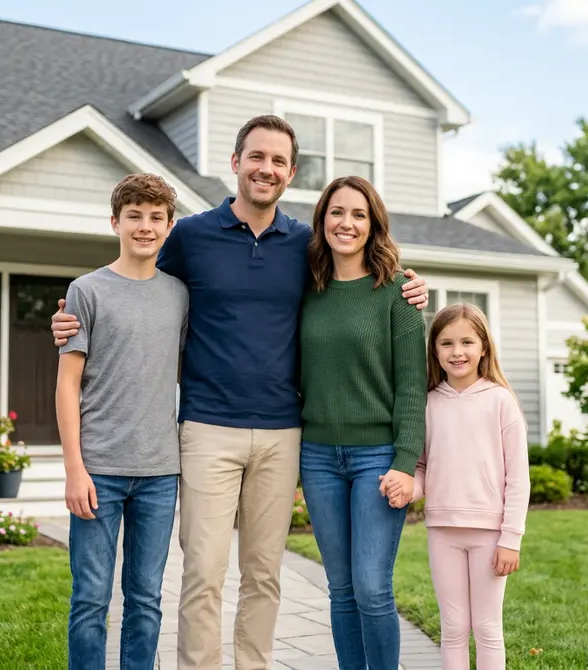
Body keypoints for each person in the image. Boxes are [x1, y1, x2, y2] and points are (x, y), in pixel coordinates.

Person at [50, 115, 429, 670]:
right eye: (256, 157)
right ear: (235, 163)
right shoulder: (192, 237)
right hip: (206, 428)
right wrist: (69, 318)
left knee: (263, 575)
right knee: (202, 573)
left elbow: (359, 274)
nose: (266, 169)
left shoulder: (307, 245)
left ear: (291, 173)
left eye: (278, 161)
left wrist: (409, 283)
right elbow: (132, 274)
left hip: (283, 433)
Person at [55, 173, 190, 670]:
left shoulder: (179, 294)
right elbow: (67, 384)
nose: (145, 226)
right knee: (90, 599)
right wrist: (74, 468)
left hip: (159, 471)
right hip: (99, 470)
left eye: (156, 218)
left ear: (169, 226)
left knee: (146, 599)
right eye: (134, 216)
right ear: (115, 222)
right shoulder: (86, 291)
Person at [297, 175, 427, 670]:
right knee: (342, 590)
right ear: (322, 220)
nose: (345, 223)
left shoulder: (398, 294)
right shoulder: (306, 289)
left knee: (373, 589)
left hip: (378, 458)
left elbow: (413, 387)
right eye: (336, 212)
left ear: (373, 224)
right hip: (319, 458)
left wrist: (405, 462)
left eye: (358, 214)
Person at [391, 302, 531, 670]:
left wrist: (510, 539)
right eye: (446, 343)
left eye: (467, 342)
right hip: (442, 530)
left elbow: (518, 478)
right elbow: (422, 466)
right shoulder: (428, 403)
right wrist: (410, 489)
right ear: (434, 350)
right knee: (453, 626)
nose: (457, 352)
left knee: (486, 627)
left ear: (484, 347)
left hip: (489, 534)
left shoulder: (501, 401)